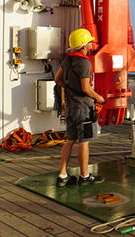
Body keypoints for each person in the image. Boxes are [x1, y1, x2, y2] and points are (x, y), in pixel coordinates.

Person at [54, 28, 106, 187]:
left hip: (70, 107)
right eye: (90, 41)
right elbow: (86, 88)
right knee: (84, 142)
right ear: (84, 45)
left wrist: (70, 92)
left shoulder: (67, 60)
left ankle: (62, 175)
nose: (92, 43)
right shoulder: (84, 62)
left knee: (70, 140)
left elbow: (58, 80)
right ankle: (85, 176)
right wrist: (99, 98)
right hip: (83, 108)